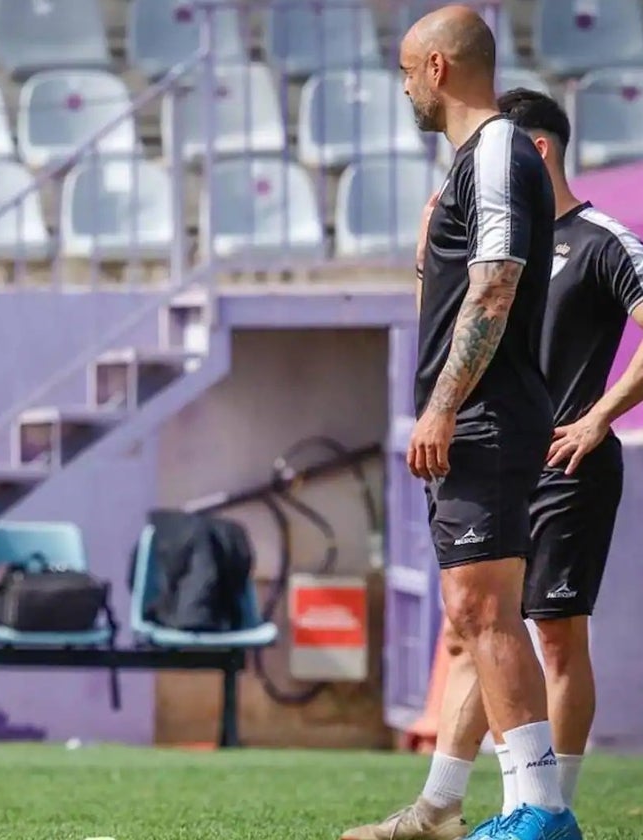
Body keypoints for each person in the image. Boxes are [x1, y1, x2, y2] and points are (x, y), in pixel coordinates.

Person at [341, 87, 643, 840]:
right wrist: (422, 264)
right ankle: (442, 805)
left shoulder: (605, 240)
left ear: (534, 152)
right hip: (504, 451)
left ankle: (548, 808)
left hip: (565, 462)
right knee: (471, 626)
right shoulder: (498, 241)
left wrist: (600, 418)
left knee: (553, 633)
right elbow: (454, 325)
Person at [384, 6, 581, 840]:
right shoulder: (472, 165)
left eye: (404, 71)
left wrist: (442, 404)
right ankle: (522, 808)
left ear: (436, 68)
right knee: (475, 612)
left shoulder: (498, 148)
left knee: (486, 611)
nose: (401, 89)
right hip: (479, 415)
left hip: (487, 417)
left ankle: (537, 813)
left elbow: (495, 284)